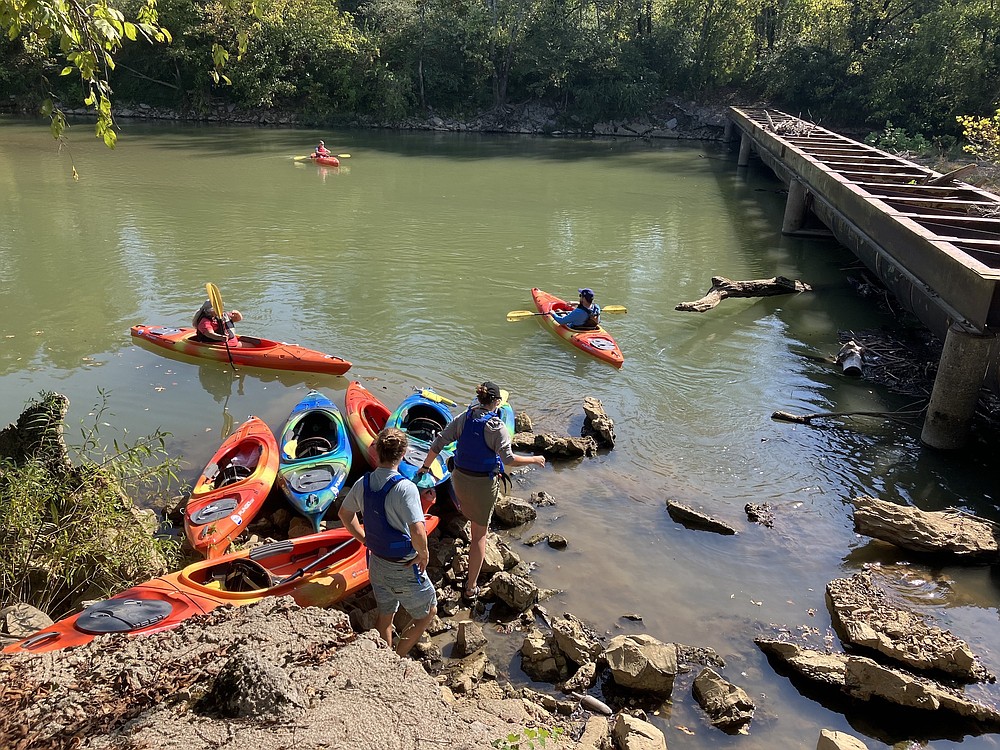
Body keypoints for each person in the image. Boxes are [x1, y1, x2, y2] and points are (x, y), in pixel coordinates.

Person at [416, 381, 545, 605]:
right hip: (482, 485)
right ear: (496, 403)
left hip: (459, 480)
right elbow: (509, 460)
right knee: (479, 536)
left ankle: (466, 516)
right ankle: (470, 588)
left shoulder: (464, 418)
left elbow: (438, 444)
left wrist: (425, 467)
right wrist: (534, 459)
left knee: (469, 512)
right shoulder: (496, 427)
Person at [338, 427, 437, 657]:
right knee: (428, 612)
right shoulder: (406, 488)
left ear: (377, 452)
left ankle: (385, 656)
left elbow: (345, 514)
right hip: (402, 565)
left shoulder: (362, 483)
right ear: (403, 455)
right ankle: (397, 658)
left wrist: (363, 538)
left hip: (376, 564)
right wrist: (424, 554)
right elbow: (418, 529)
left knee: (386, 615)